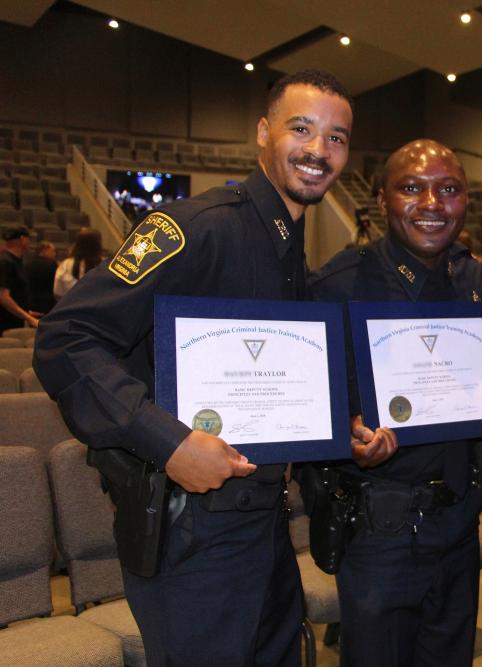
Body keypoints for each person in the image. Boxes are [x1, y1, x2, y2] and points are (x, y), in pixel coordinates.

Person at [33, 69, 355, 666]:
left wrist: (339, 430)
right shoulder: (190, 228)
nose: (318, 149)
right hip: (191, 536)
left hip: (266, 526)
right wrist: (171, 442)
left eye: (336, 137)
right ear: (263, 132)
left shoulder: (293, 257)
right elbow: (66, 339)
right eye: (301, 129)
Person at [306, 139, 482, 666]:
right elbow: (307, 406)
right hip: (380, 533)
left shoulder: (474, 281)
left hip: (460, 521)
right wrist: (347, 437)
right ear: (383, 202)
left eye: (448, 189)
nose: (432, 203)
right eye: (411, 188)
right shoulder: (337, 286)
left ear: (465, 200)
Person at [0, 225, 40, 331]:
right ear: (23, 239)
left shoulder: (16, 260)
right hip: (5, 323)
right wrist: (29, 318)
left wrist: (26, 311)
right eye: (28, 239)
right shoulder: (5, 262)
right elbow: (3, 297)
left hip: (14, 320)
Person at [53, 227, 104, 299]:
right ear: (98, 245)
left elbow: (57, 292)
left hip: (70, 304)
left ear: (77, 244)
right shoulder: (106, 265)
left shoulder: (65, 265)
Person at [24, 240, 57, 314]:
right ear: (44, 250)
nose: (54, 254)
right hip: (47, 303)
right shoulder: (52, 264)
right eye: (52, 251)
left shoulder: (27, 264)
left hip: (30, 301)